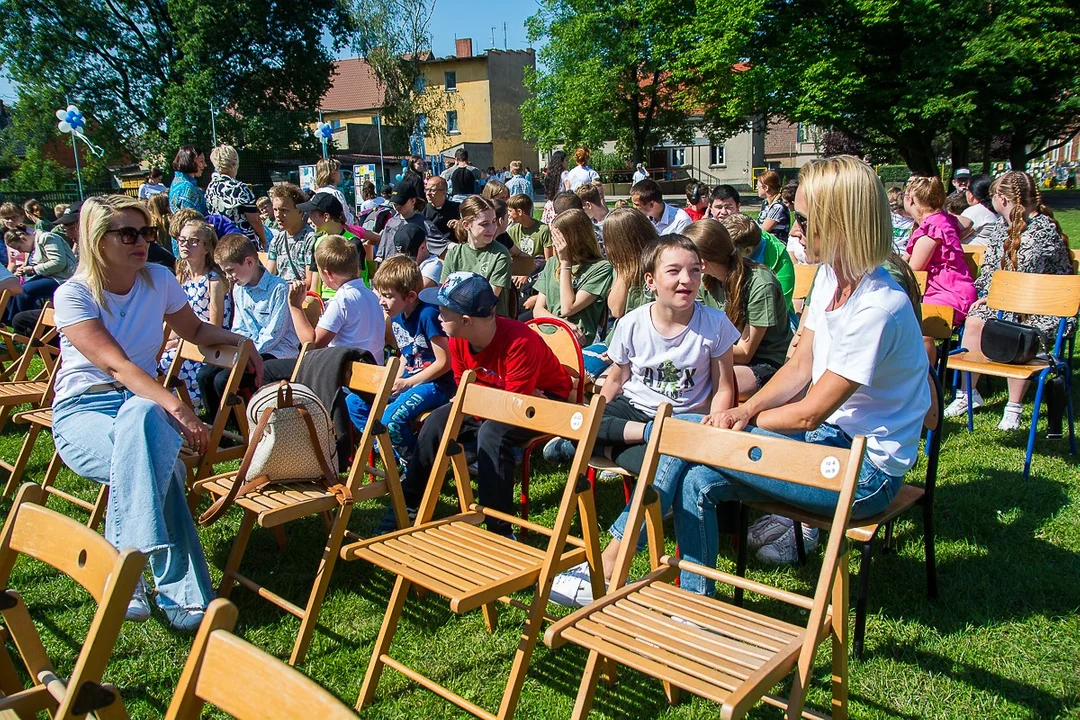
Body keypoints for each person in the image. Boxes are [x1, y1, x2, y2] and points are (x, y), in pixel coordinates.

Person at [601, 155, 928, 590]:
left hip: (865, 473)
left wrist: (739, 420)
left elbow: (808, 412)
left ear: (842, 223)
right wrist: (747, 408)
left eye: (806, 222)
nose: (795, 230)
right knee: (696, 473)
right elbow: (801, 365)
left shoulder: (878, 308)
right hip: (827, 442)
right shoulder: (832, 277)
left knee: (688, 434)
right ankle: (694, 603)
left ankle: (611, 560)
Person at [50, 195, 262, 630]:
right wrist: (178, 408)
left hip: (142, 406)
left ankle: (124, 576)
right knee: (151, 445)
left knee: (142, 429)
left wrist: (242, 340)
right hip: (84, 410)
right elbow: (117, 365)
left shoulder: (159, 279)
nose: (141, 242)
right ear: (96, 239)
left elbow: (196, 330)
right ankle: (180, 593)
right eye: (127, 233)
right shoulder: (73, 294)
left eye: (147, 232)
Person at [548, 234, 741, 605]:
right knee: (587, 420)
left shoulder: (714, 324)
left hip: (685, 423)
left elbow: (724, 386)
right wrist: (595, 417)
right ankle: (638, 436)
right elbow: (617, 379)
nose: (686, 279)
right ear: (651, 281)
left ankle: (608, 562)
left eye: (694, 271)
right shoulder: (634, 322)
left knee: (666, 464)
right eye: (674, 271)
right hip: (637, 414)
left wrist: (716, 422)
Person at [383, 272, 573, 535]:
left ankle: (499, 528)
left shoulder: (519, 341)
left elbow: (512, 407)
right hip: (499, 397)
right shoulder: (458, 339)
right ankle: (408, 505)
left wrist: (486, 397)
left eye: (443, 311)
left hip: (547, 402)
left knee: (493, 433)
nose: (437, 315)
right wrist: (484, 397)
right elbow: (465, 387)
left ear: (466, 320)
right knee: (438, 420)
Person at [944, 171, 1075, 431]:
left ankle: (1013, 407)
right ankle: (967, 395)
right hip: (1006, 304)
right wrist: (984, 297)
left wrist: (1000, 297)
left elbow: (1028, 282)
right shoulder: (1001, 229)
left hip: (1042, 309)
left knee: (1015, 328)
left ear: (1002, 199)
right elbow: (991, 272)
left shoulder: (1041, 232)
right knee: (974, 322)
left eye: (992, 197)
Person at [347, 256, 453, 463]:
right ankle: (390, 453)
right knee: (354, 403)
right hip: (409, 380)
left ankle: (416, 465)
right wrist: (393, 380)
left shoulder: (428, 315)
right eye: (380, 295)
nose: (381, 302)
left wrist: (407, 382)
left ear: (411, 296)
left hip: (436, 385)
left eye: (387, 296)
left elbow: (444, 361)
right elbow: (407, 354)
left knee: (391, 420)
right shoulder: (396, 315)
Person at [685, 219, 793, 400]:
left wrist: (695, 345)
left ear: (701, 262)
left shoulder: (760, 284)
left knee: (707, 385)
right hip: (720, 354)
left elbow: (745, 353)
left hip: (765, 362)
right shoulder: (705, 281)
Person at [158, 220, 231, 415]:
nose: (184, 245)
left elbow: (214, 327)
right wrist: (167, 340)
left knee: (163, 366)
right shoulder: (182, 277)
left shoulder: (214, 281)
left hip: (205, 347)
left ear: (206, 248)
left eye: (193, 241)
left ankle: (179, 414)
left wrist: (178, 342)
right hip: (184, 342)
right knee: (152, 359)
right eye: (182, 240)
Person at [902, 175, 977, 359]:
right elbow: (968, 223)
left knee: (915, 320)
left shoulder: (930, 231)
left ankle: (927, 375)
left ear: (910, 199)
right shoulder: (943, 221)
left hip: (948, 295)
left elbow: (912, 271)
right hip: (959, 290)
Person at [288, 234, 384, 358]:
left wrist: (295, 307)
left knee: (269, 370)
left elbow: (312, 346)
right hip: (374, 370)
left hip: (348, 373)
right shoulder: (372, 296)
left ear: (328, 274)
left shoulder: (341, 300)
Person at [531, 209, 613, 344]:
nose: (554, 242)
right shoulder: (553, 262)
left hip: (576, 340)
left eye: (558, 236)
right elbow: (538, 309)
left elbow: (567, 308)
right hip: (547, 334)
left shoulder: (601, 268)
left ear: (574, 237)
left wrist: (565, 264)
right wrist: (563, 324)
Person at [440, 195, 513, 317]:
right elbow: (443, 292)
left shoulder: (499, 254)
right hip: (457, 319)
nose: (492, 228)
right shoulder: (454, 253)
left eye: (494, 221)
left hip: (488, 322)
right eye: (484, 224)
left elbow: (488, 300)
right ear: (466, 225)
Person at [720, 212, 796, 312]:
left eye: (730, 253)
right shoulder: (732, 241)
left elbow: (777, 311)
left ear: (748, 251)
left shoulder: (781, 261)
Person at [297, 192, 368, 297]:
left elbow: (354, 286)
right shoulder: (317, 242)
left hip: (349, 300)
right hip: (325, 302)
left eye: (312, 214)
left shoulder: (352, 243)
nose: (309, 219)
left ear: (326, 216)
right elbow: (315, 288)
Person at [4, 221, 77, 315]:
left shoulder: (47, 238)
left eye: (19, 247)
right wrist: (22, 270)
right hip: (47, 276)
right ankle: (12, 322)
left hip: (62, 277)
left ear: (23, 238)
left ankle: (25, 324)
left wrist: (33, 269)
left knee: (25, 290)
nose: (20, 251)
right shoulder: (31, 246)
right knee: (13, 290)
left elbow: (58, 263)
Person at [205, 145, 267, 249]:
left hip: (220, 241)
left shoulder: (210, 188)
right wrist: (264, 240)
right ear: (235, 163)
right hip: (242, 243)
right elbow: (254, 220)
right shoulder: (240, 188)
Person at [375, 181, 440, 263]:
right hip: (390, 271)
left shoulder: (424, 224)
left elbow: (441, 246)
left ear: (413, 201)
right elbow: (381, 253)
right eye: (394, 203)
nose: (396, 207)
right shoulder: (391, 223)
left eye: (400, 203)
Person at [265, 183, 316, 283]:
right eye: (275, 210)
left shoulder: (310, 239)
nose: (278, 215)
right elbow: (268, 276)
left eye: (284, 210)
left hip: (300, 293)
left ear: (300, 211)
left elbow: (309, 281)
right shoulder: (277, 239)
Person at [962, 173, 1000, 245]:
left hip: (974, 254)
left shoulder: (976, 211)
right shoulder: (997, 209)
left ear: (971, 194)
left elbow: (955, 236)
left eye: (966, 190)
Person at [314, 157, 355, 224]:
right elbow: (347, 220)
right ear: (333, 175)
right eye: (338, 171)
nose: (340, 174)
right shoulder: (336, 193)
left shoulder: (316, 193)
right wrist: (352, 213)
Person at [168, 146, 208, 214]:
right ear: (191, 162)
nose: (205, 165)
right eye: (201, 161)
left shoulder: (177, 182)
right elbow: (191, 220)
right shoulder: (187, 187)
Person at [756, 169, 790, 242]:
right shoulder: (765, 203)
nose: (756, 189)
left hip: (776, 248)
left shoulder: (778, 206)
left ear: (766, 188)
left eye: (758, 187)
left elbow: (763, 231)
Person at [540, 151, 569, 224]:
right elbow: (568, 190)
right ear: (561, 162)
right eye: (566, 160)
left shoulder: (550, 174)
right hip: (561, 205)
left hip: (550, 204)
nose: (567, 163)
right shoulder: (565, 174)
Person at [887, 186, 915, 253]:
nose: (894, 209)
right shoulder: (891, 216)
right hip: (891, 252)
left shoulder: (913, 219)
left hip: (905, 252)